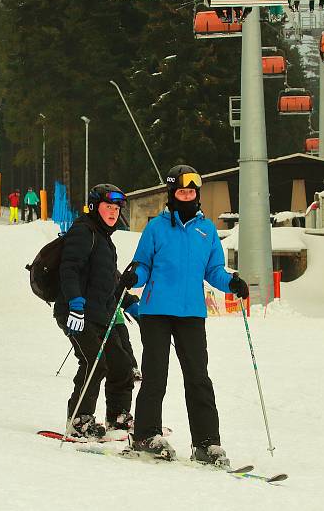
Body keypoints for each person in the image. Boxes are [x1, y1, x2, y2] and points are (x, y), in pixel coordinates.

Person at [121, 165, 249, 465]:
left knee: (198, 377)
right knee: (156, 376)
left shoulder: (207, 232)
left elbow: (213, 270)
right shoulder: (156, 228)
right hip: (155, 312)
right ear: (172, 194)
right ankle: (146, 435)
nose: (187, 195)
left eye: (191, 191)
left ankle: (206, 443)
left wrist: (231, 282)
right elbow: (142, 266)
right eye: (181, 191)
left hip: (191, 313)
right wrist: (133, 276)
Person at [54, 184, 138, 439]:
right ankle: (80, 420)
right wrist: (75, 303)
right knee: (94, 363)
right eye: (108, 207)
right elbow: (69, 269)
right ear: (94, 207)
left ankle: (118, 418)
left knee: (122, 365)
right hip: (76, 313)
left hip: (101, 314)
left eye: (116, 208)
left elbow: (108, 280)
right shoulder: (83, 231)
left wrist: (128, 301)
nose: (113, 212)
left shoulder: (105, 239)